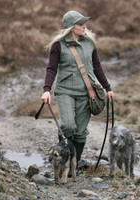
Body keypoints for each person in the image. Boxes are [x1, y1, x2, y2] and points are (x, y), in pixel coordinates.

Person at [41, 10, 114, 169]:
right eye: (81, 24)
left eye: (84, 23)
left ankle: (74, 163)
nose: (85, 26)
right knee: (68, 126)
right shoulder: (58, 46)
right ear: (71, 27)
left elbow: (97, 67)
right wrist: (46, 89)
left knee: (80, 132)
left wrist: (107, 88)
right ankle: (62, 157)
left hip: (87, 93)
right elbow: (51, 69)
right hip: (65, 91)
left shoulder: (90, 43)